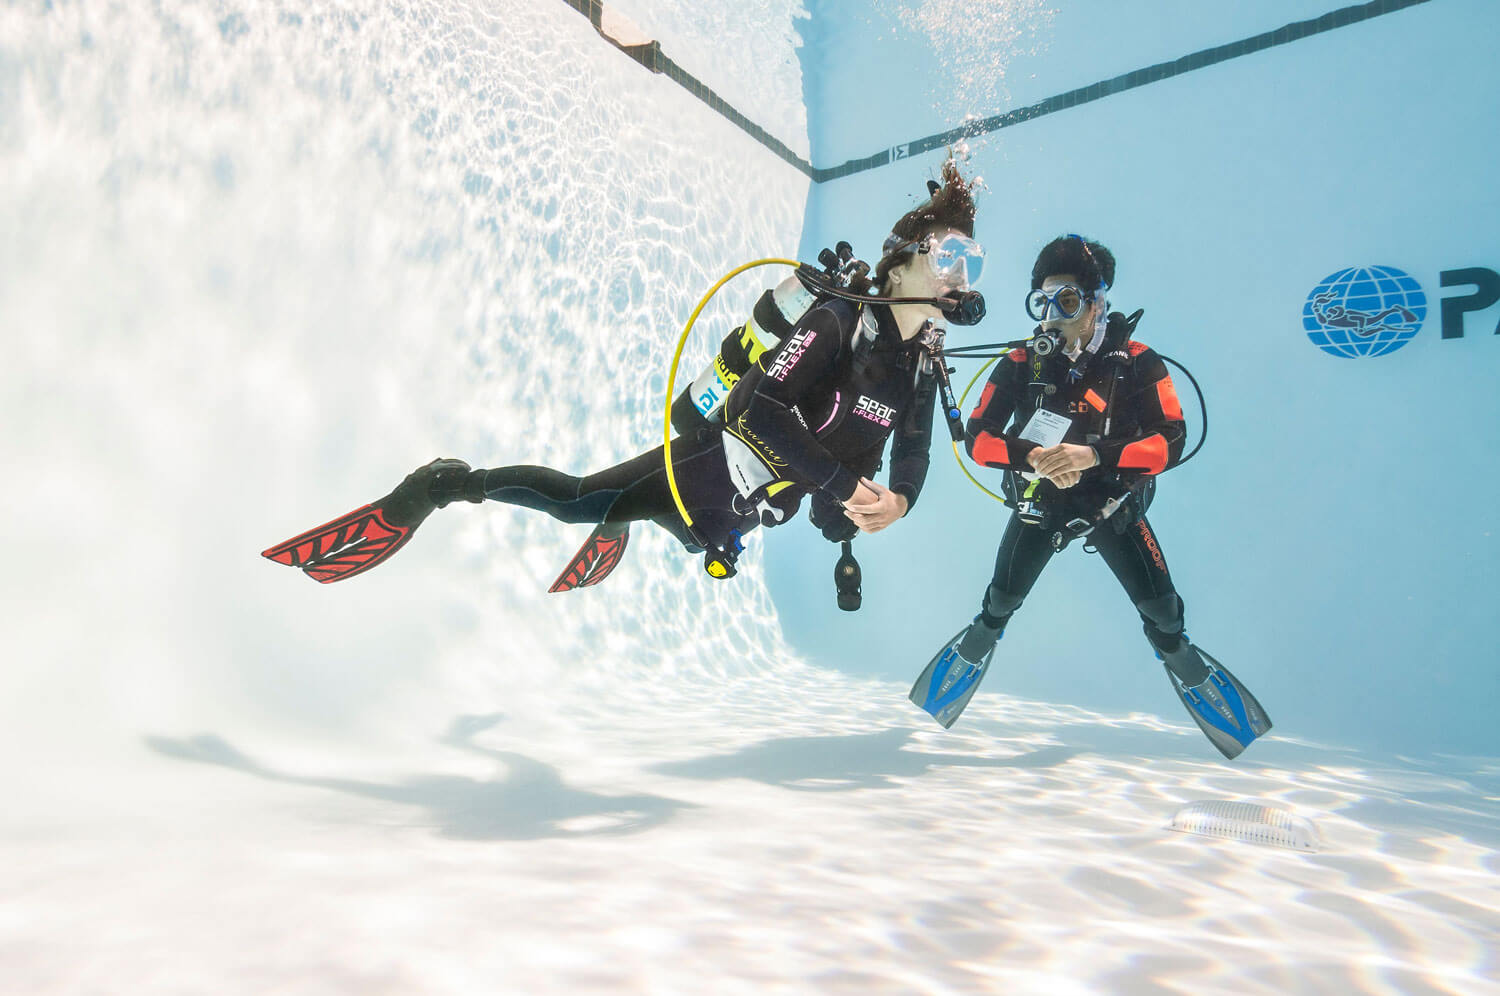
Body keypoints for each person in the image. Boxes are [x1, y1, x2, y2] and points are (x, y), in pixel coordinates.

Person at [288, 161, 985, 589]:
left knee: (691, 538)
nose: (961, 275)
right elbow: (758, 412)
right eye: (951, 254)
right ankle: (443, 484)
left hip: (755, 505)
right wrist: (838, 484)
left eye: (972, 263)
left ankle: (643, 520)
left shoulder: (920, 364)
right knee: (579, 502)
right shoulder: (836, 320)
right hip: (712, 462)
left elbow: (907, 453)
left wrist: (881, 507)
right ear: (900, 263)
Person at [909, 234, 1270, 759]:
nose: (1052, 316)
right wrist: (1032, 458)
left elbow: (1171, 440)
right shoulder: (1020, 362)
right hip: (1041, 502)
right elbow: (977, 438)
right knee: (1000, 602)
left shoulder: (1139, 362)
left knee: (1165, 616)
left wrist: (1092, 457)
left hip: (1113, 506)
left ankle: (1181, 657)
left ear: (1099, 303)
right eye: (1044, 301)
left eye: (1069, 301)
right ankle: (980, 640)